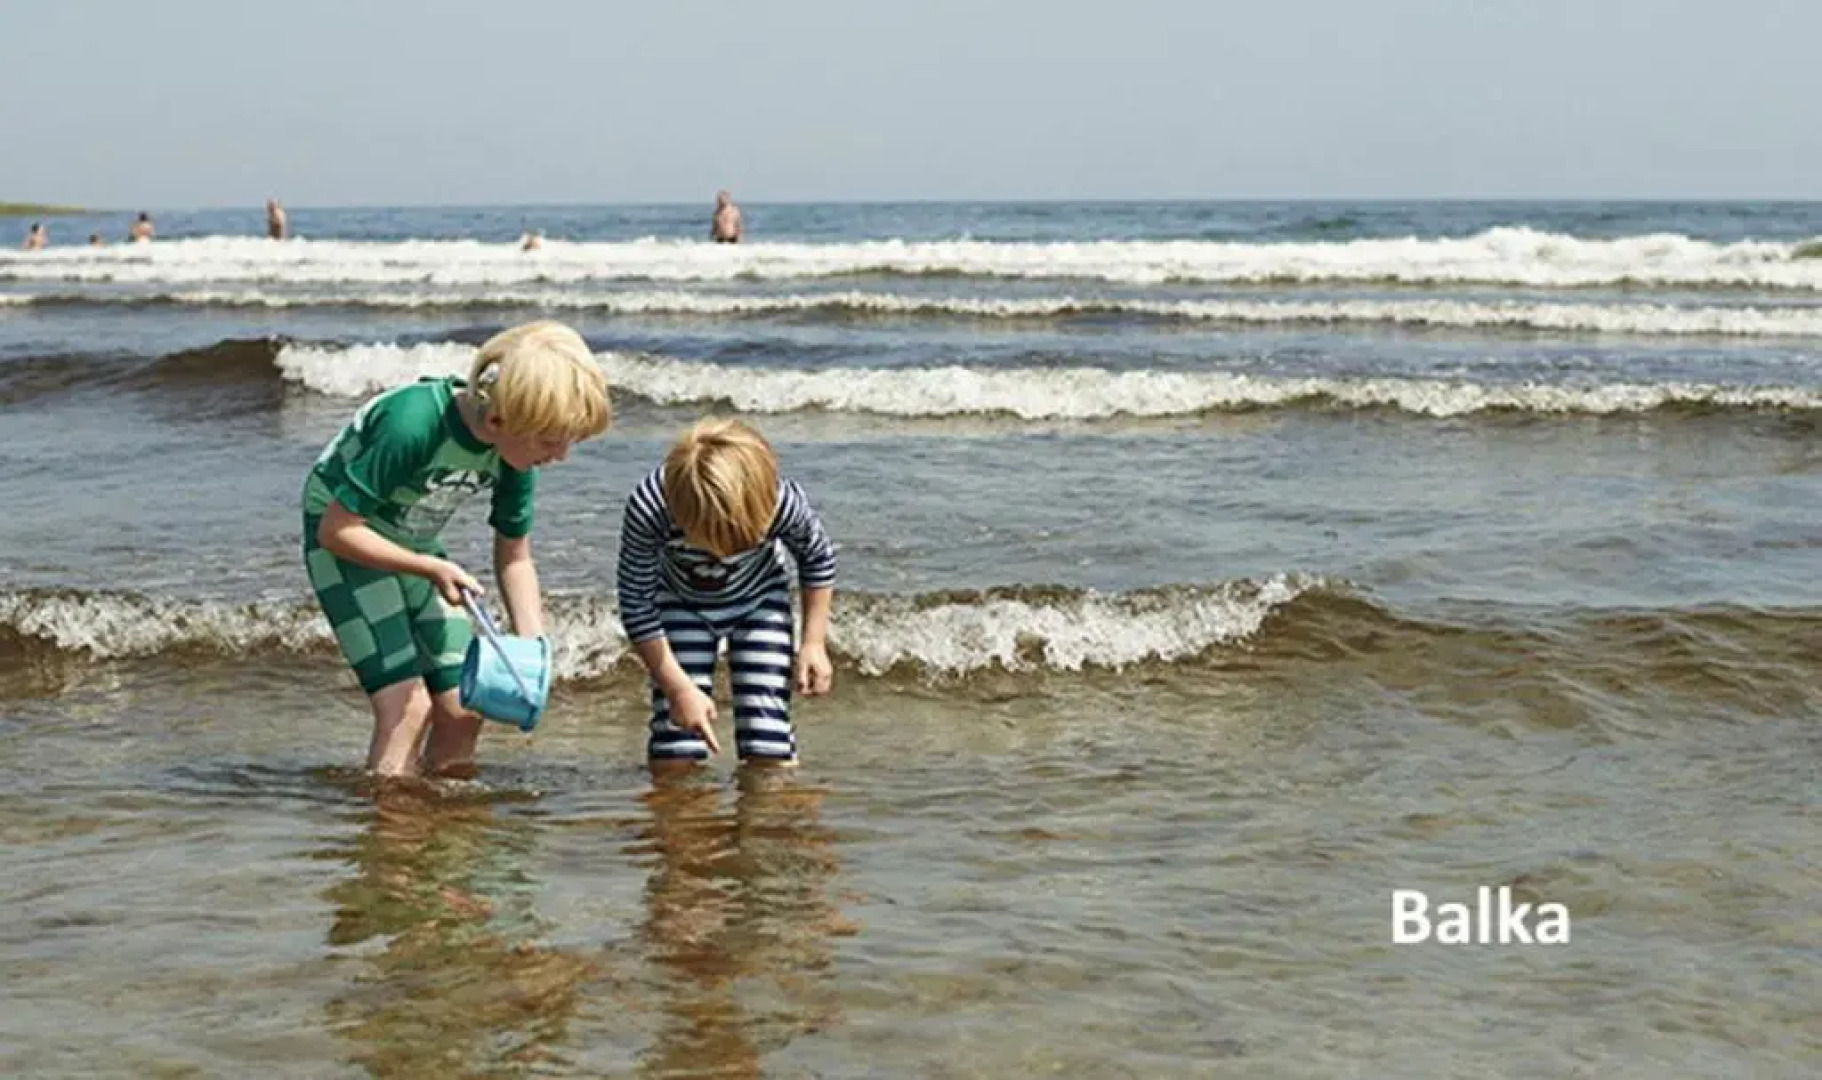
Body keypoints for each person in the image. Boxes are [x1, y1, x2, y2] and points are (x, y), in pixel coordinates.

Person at [302, 320, 611, 778]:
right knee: (408, 707)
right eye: (550, 441)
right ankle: (393, 831)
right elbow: (336, 530)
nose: (561, 455)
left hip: (414, 544)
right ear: (497, 419)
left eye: (570, 441)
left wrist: (532, 646)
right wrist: (428, 568)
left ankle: (446, 822)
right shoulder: (412, 424)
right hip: (347, 542)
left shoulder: (516, 456)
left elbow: (515, 555)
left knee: (466, 704)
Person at [615, 417, 835, 768]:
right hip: (679, 603)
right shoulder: (651, 507)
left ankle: (769, 815)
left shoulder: (780, 502)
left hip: (760, 602)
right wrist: (677, 688)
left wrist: (813, 643)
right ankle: (680, 813)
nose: (723, 555)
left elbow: (818, 560)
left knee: (767, 739)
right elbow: (637, 605)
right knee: (677, 742)